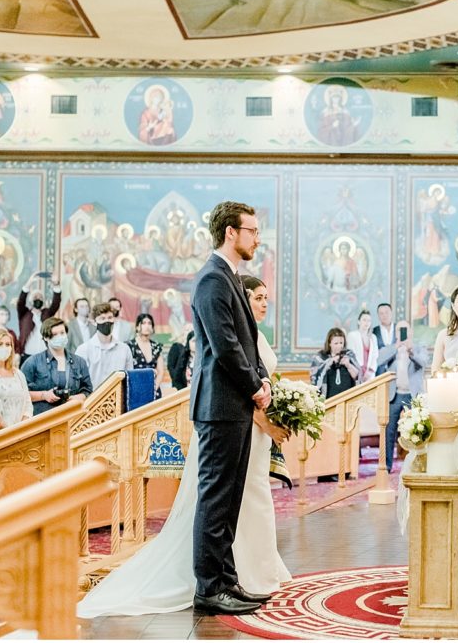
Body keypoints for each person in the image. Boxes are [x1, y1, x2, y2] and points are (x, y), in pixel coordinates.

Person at [77, 273, 291, 618]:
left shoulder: (254, 336)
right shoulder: (232, 329)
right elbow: (237, 384)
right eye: (258, 297)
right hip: (241, 424)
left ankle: (251, 573)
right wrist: (266, 421)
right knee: (234, 502)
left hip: (255, 433)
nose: (264, 303)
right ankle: (227, 579)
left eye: (267, 297)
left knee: (252, 501)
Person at [188, 200, 272, 615]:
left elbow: (247, 340)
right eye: (252, 231)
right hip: (220, 405)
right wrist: (256, 386)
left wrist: (263, 378)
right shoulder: (212, 280)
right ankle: (208, 587)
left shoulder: (230, 277)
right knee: (216, 498)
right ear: (231, 233)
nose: (258, 238)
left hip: (233, 405)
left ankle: (227, 581)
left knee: (230, 499)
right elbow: (224, 346)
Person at [379, 320, 427, 473]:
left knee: (417, 430)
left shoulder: (418, 348)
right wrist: (396, 347)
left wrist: (410, 351)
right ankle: (386, 465)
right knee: (389, 431)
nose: (402, 333)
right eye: (399, 330)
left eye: (405, 330)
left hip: (413, 395)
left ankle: (419, 462)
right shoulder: (390, 349)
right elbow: (380, 360)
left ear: (411, 331)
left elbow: (424, 362)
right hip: (394, 395)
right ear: (396, 333)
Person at [21, 317, 92, 415]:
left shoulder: (79, 362)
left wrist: (80, 397)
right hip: (42, 418)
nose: (59, 337)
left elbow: (88, 390)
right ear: (46, 337)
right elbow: (21, 394)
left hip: (72, 417)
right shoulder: (32, 362)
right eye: (54, 334)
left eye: (62, 333)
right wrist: (43, 395)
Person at [75, 302, 133, 389]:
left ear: (114, 320)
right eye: (102, 318)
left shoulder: (124, 349)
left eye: (110, 318)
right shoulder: (83, 350)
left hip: (119, 399)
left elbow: (130, 378)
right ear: (94, 322)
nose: (107, 321)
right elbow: (78, 381)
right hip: (93, 399)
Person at [17, 271, 62, 361]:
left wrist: (56, 284)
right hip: (27, 356)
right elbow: (21, 301)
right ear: (31, 300)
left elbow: (56, 303)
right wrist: (28, 283)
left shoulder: (47, 313)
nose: (38, 299)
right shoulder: (24, 313)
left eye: (40, 297)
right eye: (35, 297)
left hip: (45, 356)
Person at [310, 328, 359, 398]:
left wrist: (348, 365)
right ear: (329, 343)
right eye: (336, 343)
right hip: (328, 398)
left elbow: (357, 377)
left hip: (347, 397)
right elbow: (315, 377)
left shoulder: (349, 354)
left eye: (341, 343)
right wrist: (329, 363)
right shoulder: (321, 356)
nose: (339, 346)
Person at [127, 313, 166, 395]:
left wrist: (154, 389)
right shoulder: (130, 346)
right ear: (137, 327)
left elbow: (161, 371)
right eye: (143, 323)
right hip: (135, 389)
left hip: (154, 389)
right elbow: (127, 370)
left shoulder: (156, 346)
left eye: (149, 323)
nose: (147, 326)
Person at [346, 309, 378, 383]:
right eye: (364, 320)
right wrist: (360, 372)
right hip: (356, 372)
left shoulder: (373, 337)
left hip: (369, 374)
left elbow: (375, 356)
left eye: (369, 320)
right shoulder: (352, 335)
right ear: (359, 321)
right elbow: (351, 355)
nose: (366, 323)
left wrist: (370, 371)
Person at [372, 302, 397, 376]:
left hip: (396, 372)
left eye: (386, 312)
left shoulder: (399, 328)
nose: (384, 315)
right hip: (379, 372)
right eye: (381, 313)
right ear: (378, 315)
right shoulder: (373, 332)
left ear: (391, 313)